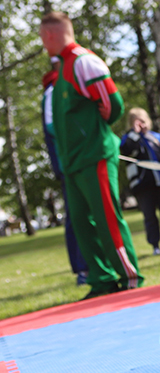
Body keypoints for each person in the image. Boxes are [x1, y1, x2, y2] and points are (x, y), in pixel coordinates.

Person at [40, 11, 143, 299]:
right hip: (73, 161)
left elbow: (113, 103)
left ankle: (129, 275)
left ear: (50, 34)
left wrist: (94, 133)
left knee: (108, 217)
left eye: (42, 37)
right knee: (83, 224)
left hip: (95, 154)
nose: (43, 43)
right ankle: (102, 279)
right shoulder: (61, 67)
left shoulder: (83, 61)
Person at [41, 55, 89, 285]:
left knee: (81, 214)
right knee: (77, 215)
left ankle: (88, 267)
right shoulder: (53, 91)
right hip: (68, 161)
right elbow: (54, 127)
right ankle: (83, 269)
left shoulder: (60, 88)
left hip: (75, 158)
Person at [120, 107, 160, 255]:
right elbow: (127, 148)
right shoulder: (129, 138)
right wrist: (134, 132)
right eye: (136, 122)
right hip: (143, 186)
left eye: (142, 121)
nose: (140, 124)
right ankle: (155, 245)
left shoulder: (156, 137)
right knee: (150, 216)